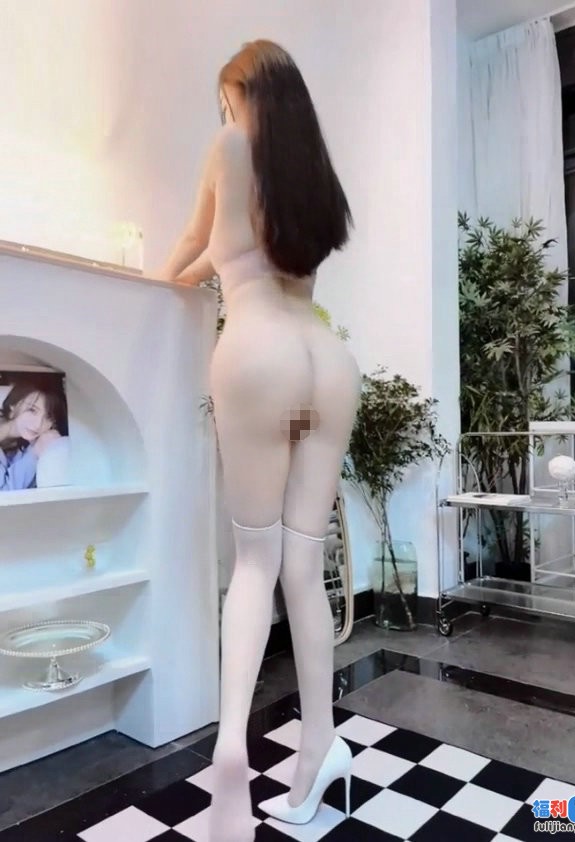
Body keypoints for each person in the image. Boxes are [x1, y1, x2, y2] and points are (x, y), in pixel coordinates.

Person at [158, 39, 361, 842]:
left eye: (226, 99)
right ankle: (319, 748)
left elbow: (190, 250)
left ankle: (231, 755)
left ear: (239, 95)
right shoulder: (310, 168)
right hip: (325, 365)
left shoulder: (230, 145)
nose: (225, 113)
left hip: (259, 356)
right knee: (304, 568)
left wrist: (177, 271)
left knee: (255, 562)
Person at [0, 377, 68, 491]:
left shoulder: (27, 443)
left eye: (48, 417)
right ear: (13, 405)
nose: (38, 424)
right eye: (32, 410)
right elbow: (4, 494)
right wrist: (34, 454)